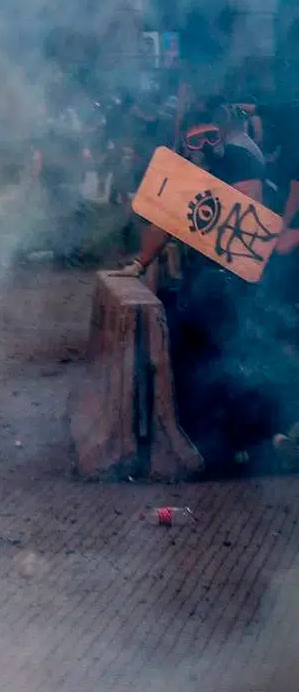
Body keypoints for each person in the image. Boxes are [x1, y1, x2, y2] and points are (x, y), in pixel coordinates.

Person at [122, 98, 274, 471]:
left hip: (233, 283)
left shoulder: (239, 157)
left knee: (230, 360)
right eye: (194, 142)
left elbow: (248, 219)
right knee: (196, 357)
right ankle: (210, 445)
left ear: (219, 129)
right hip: (205, 280)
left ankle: (243, 448)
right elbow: (166, 218)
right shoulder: (192, 169)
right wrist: (140, 263)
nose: (204, 147)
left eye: (209, 137)